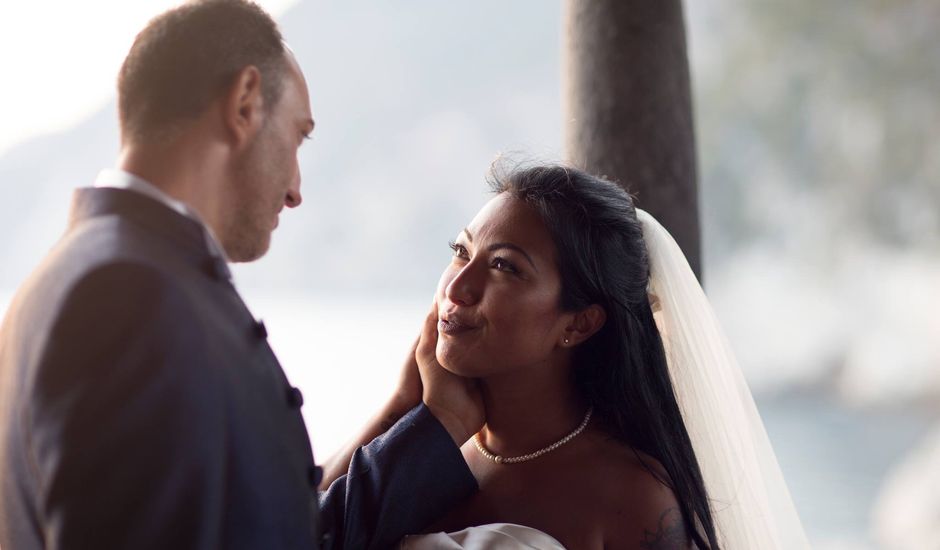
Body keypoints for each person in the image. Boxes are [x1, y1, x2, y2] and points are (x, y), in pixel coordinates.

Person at [0, 2, 484, 549]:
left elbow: (270, 528)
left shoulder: (79, 277)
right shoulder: (129, 297)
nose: (297, 189)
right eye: (298, 137)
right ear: (245, 103)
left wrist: (414, 416)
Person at [330, 163, 810, 548]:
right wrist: (403, 408)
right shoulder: (423, 447)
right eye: (460, 250)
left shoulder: (631, 498)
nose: (457, 287)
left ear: (579, 323)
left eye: (504, 267)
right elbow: (296, 531)